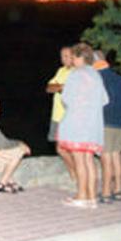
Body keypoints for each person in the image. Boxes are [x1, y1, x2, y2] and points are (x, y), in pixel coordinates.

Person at [58, 43, 108, 209]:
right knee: (89, 160)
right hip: (93, 125)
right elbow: (104, 100)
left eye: (73, 57)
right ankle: (92, 197)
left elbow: (66, 99)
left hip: (78, 124)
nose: (71, 60)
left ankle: (81, 196)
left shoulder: (75, 74)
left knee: (79, 160)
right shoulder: (96, 75)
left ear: (80, 57)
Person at [93, 50, 121, 204]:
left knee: (106, 156)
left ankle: (106, 192)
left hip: (106, 120)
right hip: (120, 120)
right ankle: (118, 190)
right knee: (116, 155)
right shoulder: (117, 77)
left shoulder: (96, 77)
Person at [46, 46, 76, 182]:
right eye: (62, 56)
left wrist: (60, 86)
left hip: (69, 116)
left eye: (66, 56)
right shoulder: (61, 71)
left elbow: (71, 89)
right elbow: (49, 88)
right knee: (61, 148)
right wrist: (61, 87)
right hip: (56, 116)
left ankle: (76, 173)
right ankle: (74, 174)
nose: (63, 59)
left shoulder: (77, 72)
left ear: (73, 56)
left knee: (65, 148)